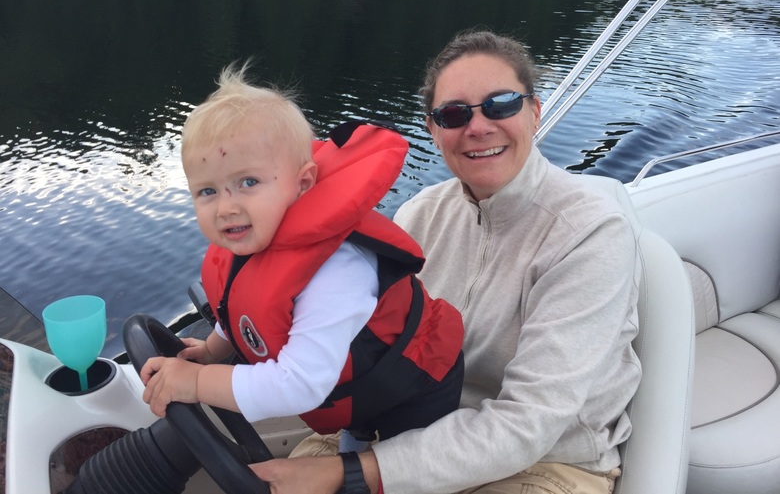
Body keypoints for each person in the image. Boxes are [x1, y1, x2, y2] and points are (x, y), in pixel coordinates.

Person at [252, 29, 642, 494]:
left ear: (534, 112)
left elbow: (529, 424)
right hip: (406, 428)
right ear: (433, 130)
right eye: (454, 114)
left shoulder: (591, 234)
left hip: (545, 462)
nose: (478, 127)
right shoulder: (420, 214)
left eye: (501, 104)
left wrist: (353, 472)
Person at [139, 62, 464, 454]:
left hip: (415, 390)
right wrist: (212, 351)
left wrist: (194, 383)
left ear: (303, 183)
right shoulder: (248, 239)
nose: (226, 207)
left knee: (397, 472)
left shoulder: (337, 270)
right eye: (207, 191)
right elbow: (241, 308)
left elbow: (300, 385)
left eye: (248, 182)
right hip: (359, 387)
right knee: (354, 435)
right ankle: (355, 436)